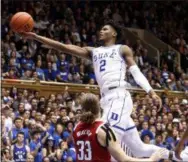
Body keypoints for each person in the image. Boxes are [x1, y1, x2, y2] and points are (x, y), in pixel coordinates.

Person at [20, 20, 176, 160]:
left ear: (114, 33)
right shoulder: (94, 51)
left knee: (107, 142)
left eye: (105, 29)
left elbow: (135, 72)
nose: (101, 31)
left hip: (119, 96)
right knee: (139, 148)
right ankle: (174, 156)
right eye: (101, 29)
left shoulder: (122, 49)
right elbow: (64, 47)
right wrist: (36, 37)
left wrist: (151, 92)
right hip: (106, 100)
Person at [73, 93, 166, 162]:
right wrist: (151, 160)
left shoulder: (76, 128)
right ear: (99, 108)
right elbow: (124, 160)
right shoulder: (104, 130)